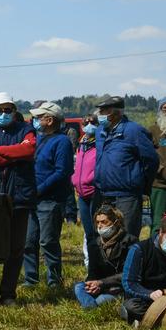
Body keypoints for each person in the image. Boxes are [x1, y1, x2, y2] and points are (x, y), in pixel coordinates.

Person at [0, 93, 35, 305]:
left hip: (19, 197)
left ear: (15, 110)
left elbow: (28, 149)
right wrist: (12, 155)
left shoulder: (25, 129)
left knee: (16, 247)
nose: (3, 114)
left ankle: (9, 293)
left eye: (7, 110)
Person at [23, 102, 74, 289]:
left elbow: (62, 171)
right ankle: (31, 279)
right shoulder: (41, 138)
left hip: (50, 200)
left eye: (38, 117)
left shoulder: (62, 142)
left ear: (50, 120)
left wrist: (39, 189)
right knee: (29, 241)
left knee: (48, 241)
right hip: (33, 199)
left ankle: (54, 281)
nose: (35, 121)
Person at [94, 95, 158, 238]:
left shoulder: (134, 131)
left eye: (104, 112)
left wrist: (141, 184)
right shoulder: (100, 132)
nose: (100, 115)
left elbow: (151, 160)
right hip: (103, 194)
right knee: (105, 237)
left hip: (127, 196)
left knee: (126, 237)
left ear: (116, 113)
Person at [73, 206, 136, 309]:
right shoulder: (94, 245)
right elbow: (92, 272)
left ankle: (89, 306)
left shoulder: (130, 242)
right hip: (100, 287)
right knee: (78, 287)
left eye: (104, 222)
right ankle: (91, 306)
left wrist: (102, 283)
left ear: (116, 222)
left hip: (118, 288)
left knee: (101, 299)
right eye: (97, 222)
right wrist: (92, 285)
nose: (100, 226)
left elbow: (128, 274)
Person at [120, 209, 166, 324]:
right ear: (160, 232)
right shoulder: (140, 250)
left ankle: (151, 320)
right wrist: (149, 294)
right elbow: (129, 283)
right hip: (146, 299)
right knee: (132, 306)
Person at [72, 115, 99, 273]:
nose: (89, 125)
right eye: (86, 123)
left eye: (93, 122)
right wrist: (74, 179)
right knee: (88, 232)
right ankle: (91, 266)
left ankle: (100, 265)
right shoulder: (82, 144)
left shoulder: (100, 143)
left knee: (98, 232)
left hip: (95, 192)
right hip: (82, 194)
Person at [149, 96, 166, 234]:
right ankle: (155, 254)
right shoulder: (153, 131)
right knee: (159, 223)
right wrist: (160, 170)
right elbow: (146, 157)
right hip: (161, 187)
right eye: (165, 107)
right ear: (160, 110)